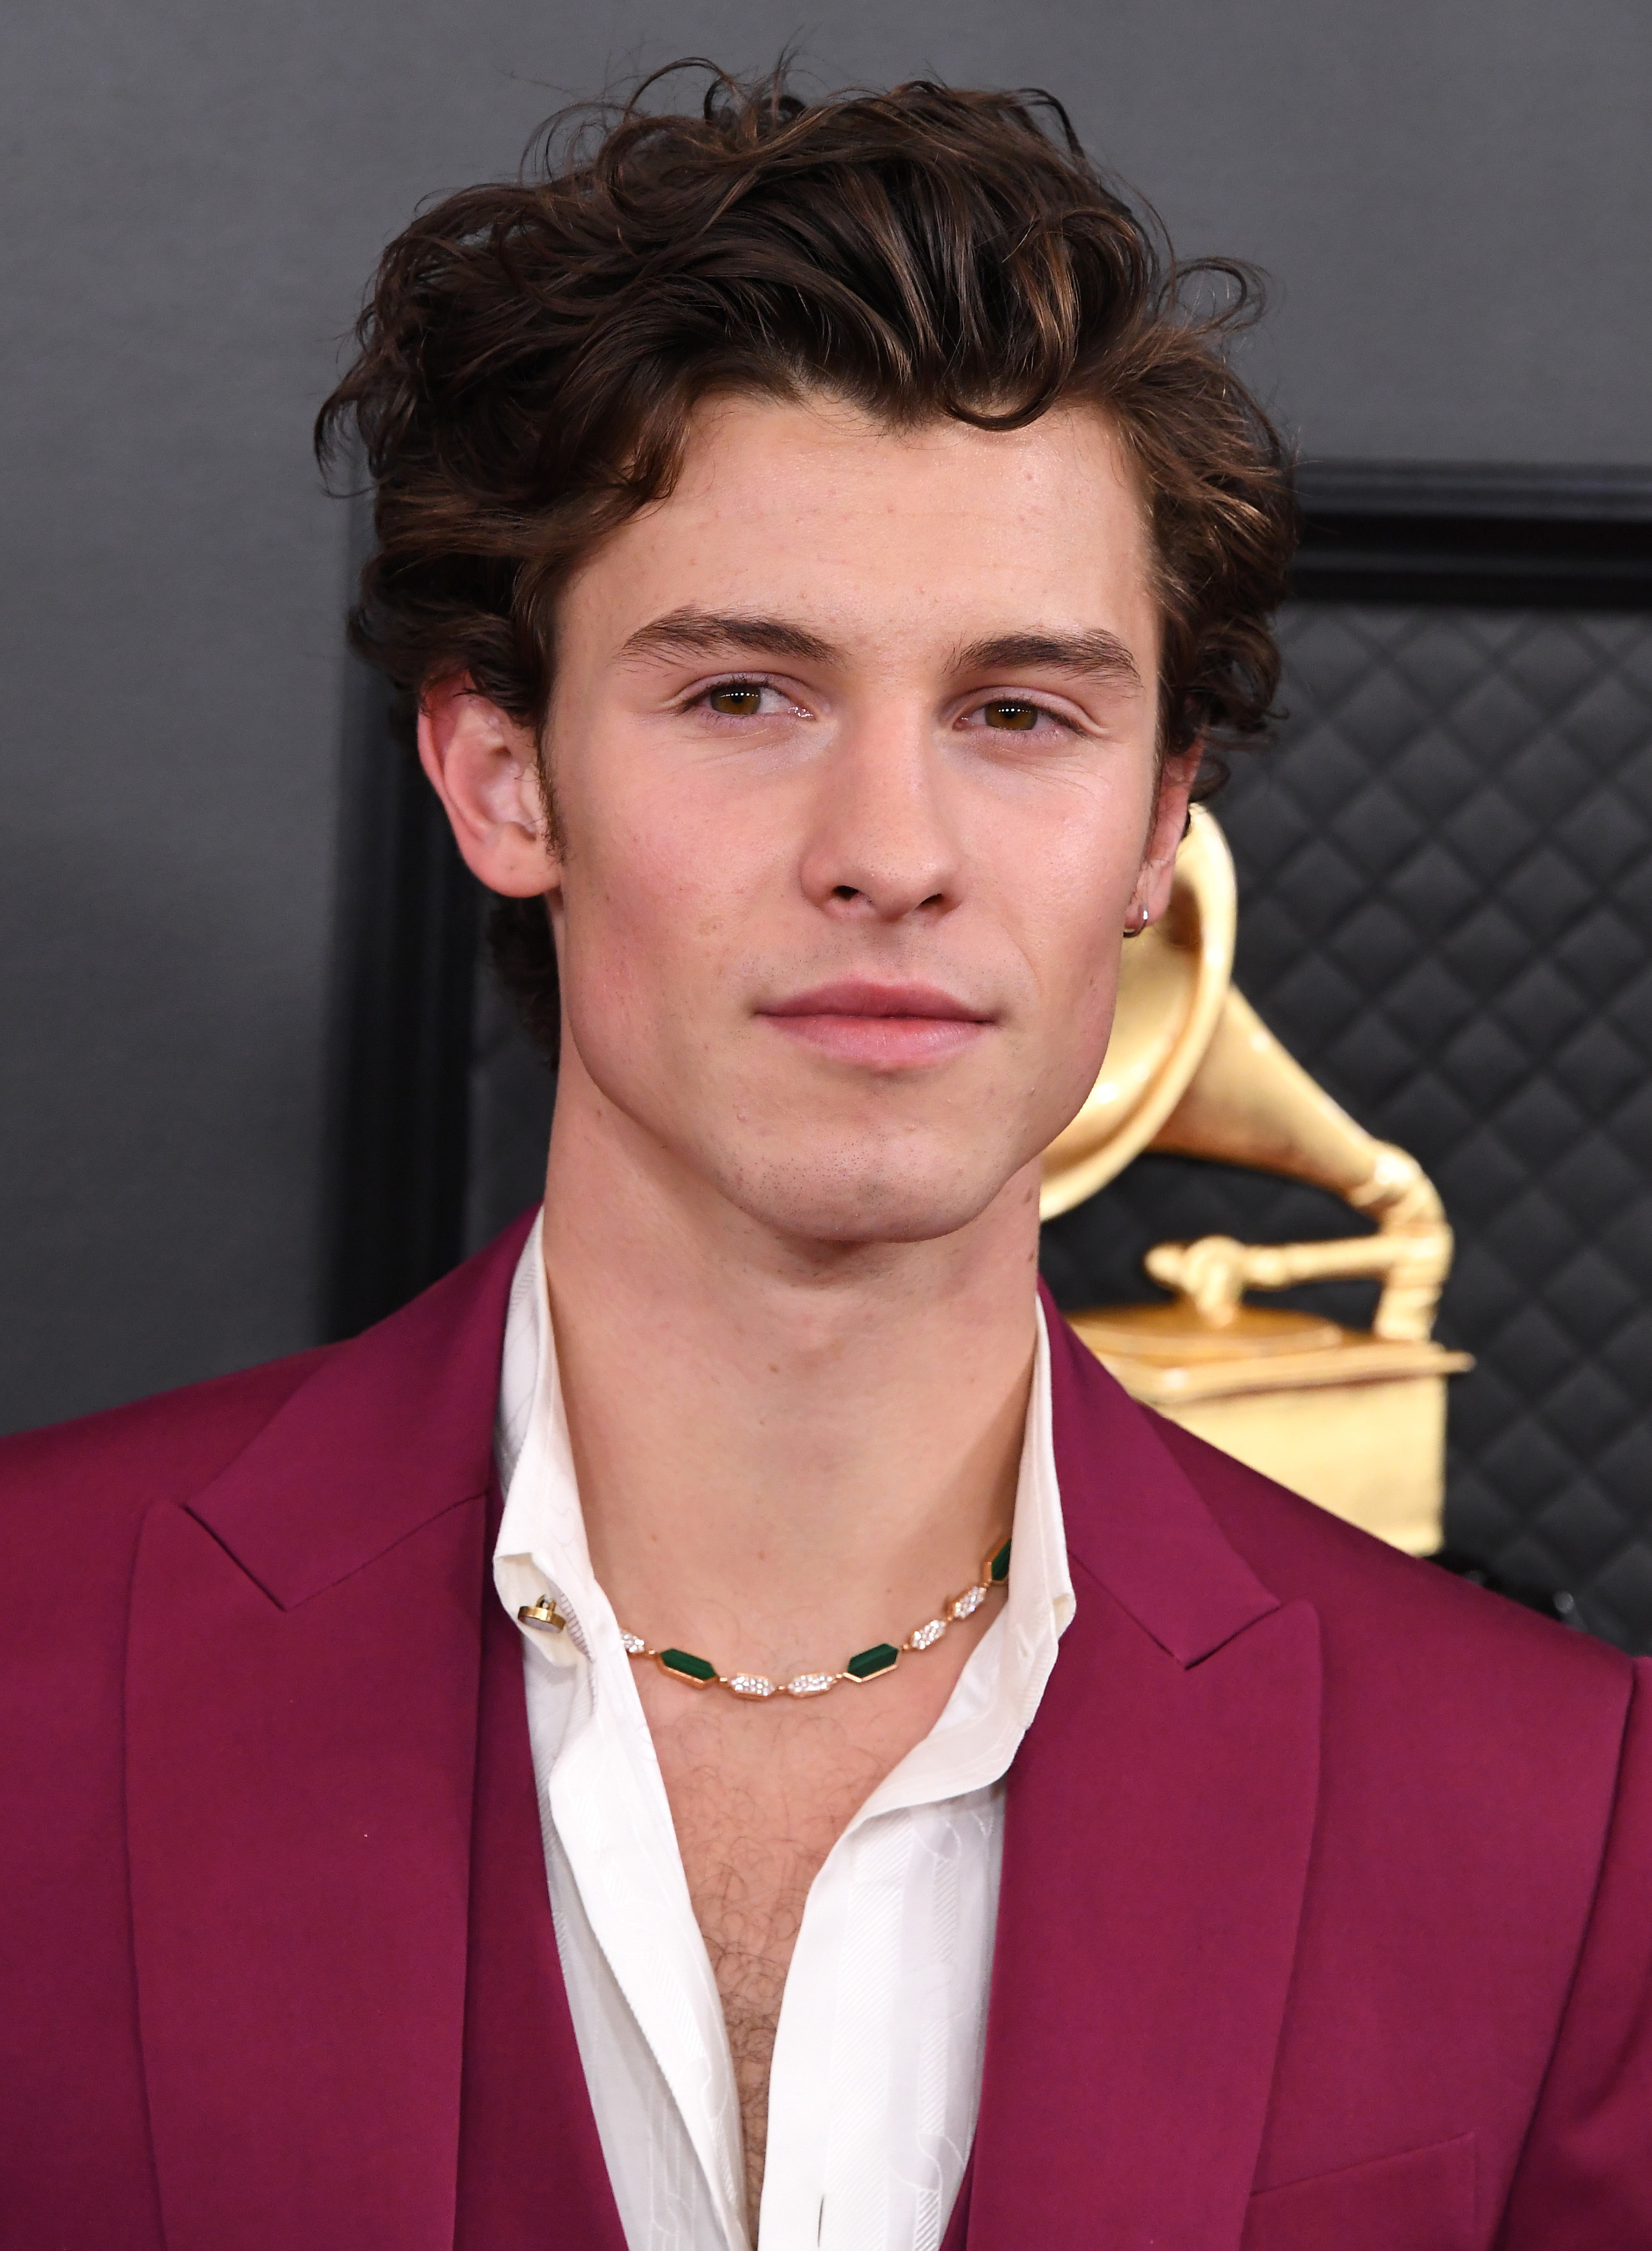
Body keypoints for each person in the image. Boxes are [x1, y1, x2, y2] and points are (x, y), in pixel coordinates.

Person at [1, 67, 1646, 2251]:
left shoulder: (1559, 1811)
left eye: (1019, 712)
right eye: (744, 695)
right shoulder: (24, 1666)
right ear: (501, 778)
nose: (892, 853)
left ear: (1161, 827)